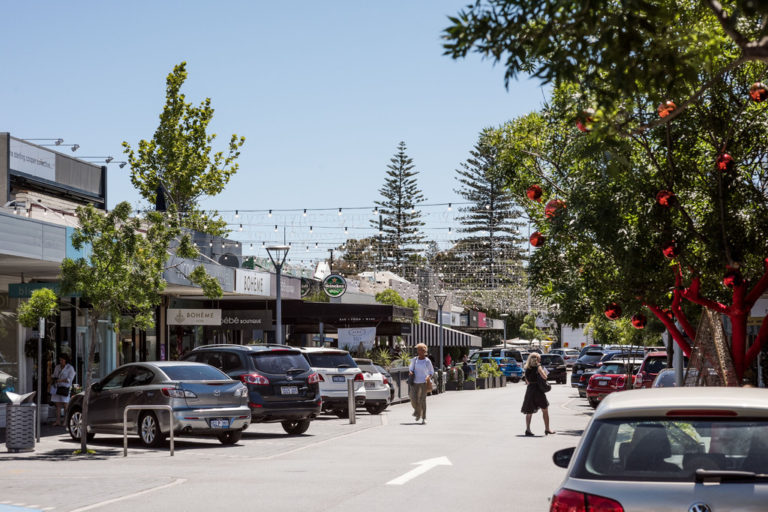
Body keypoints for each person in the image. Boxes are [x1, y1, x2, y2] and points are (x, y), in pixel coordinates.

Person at [521, 352, 555, 436]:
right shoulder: (538, 367)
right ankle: (547, 429)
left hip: (530, 390)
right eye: (539, 358)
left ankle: (528, 429)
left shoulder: (527, 368)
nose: (540, 360)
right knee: (545, 409)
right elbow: (545, 377)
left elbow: (527, 382)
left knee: (529, 411)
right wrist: (543, 372)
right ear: (537, 359)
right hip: (538, 390)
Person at [409, 343, 434, 425]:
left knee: (422, 400)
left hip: (424, 382)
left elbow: (431, 372)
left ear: (424, 351)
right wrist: (411, 372)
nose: (419, 351)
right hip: (414, 382)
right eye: (418, 350)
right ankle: (418, 412)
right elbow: (411, 368)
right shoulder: (414, 360)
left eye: (421, 350)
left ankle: (424, 417)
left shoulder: (427, 361)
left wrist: (428, 377)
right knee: (413, 399)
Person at [49, 353, 75, 427]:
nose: (61, 361)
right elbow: (54, 375)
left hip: (65, 388)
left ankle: (66, 421)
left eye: (62, 360)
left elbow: (70, 379)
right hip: (57, 387)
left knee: (65, 405)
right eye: (60, 360)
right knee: (57, 405)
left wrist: (60, 380)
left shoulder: (70, 368)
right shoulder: (57, 367)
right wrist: (52, 378)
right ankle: (58, 421)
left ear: (66, 360)